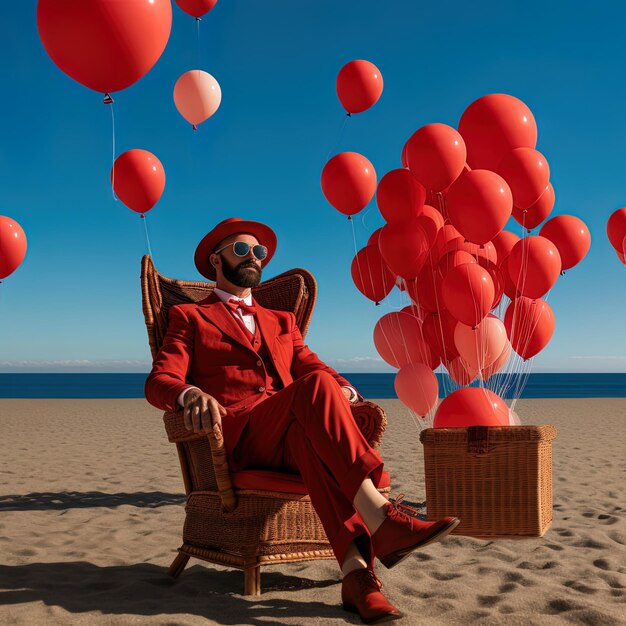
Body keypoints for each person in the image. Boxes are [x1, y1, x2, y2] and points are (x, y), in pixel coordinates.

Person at [145, 217, 460, 624]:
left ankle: (357, 579)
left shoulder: (282, 322)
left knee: (309, 428)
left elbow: (318, 367)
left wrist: (347, 393)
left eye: (259, 252)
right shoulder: (190, 317)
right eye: (242, 250)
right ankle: (380, 516)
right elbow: (160, 381)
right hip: (240, 434)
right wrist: (190, 394)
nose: (254, 257)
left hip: (291, 430)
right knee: (314, 389)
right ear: (215, 259)